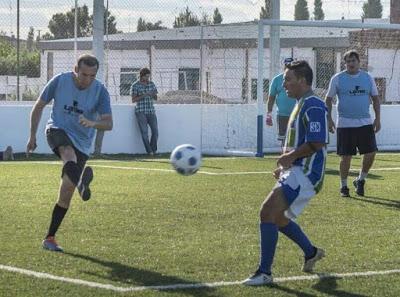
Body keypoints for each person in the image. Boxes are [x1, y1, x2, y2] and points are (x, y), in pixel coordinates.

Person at [243, 60, 328, 286]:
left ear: (302, 80)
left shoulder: (314, 105)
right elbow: (298, 143)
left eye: (288, 80)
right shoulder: (300, 104)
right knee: (278, 218)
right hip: (296, 170)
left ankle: (264, 273)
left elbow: (318, 141)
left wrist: (290, 158)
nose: (285, 85)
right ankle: (311, 252)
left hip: (307, 173)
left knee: (267, 212)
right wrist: (284, 165)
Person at [26, 54, 113, 252]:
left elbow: (108, 123)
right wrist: (32, 136)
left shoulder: (100, 92)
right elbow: (38, 106)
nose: (87, 80)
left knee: (65, 193)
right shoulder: (60, 80)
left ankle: (50, 238)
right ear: (76, 69)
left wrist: (93, 123)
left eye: (92, 76)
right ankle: (81, 182)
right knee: (67, 153)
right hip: (57, 130)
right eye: (84, 74)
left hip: (82, 143)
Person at [325, 50, 380, 197]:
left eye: (353, 61)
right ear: (345, 63)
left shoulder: (368, 78)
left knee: (371, 153)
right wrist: (329, 119)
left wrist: (378, 119)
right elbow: (328, 99)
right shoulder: (337, 78)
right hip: (345, 124)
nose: (350, 64)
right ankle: (344, 186)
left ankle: (360, 180)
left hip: (365, 123)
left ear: (358, 62)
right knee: (346, 157)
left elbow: (375, 98)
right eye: (347, 61)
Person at [266, 58, 297, 149]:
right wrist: (269, 114)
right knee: (284, 139)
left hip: (296, 114)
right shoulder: (277, 80)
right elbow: (271, 97)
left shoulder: (298, 79)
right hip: (282, 115)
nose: (289, 68)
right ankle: (285, 158)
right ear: (284, 66)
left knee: (295, 138)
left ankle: (294, 159)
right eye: (287, 65)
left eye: (291, 66)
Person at [131, 68, 158, 156]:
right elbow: (133, 100)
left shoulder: (152, 84)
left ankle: (153, 150)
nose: (148, 78)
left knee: (155, 132)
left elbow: (156, 98)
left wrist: (153, 94)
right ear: (142, 75)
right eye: (146, 76)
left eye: (149, 76)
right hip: (141, 111)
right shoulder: (135, 85)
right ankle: (149, 151)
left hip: (151, 111)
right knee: (144, 132)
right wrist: (145, 94)